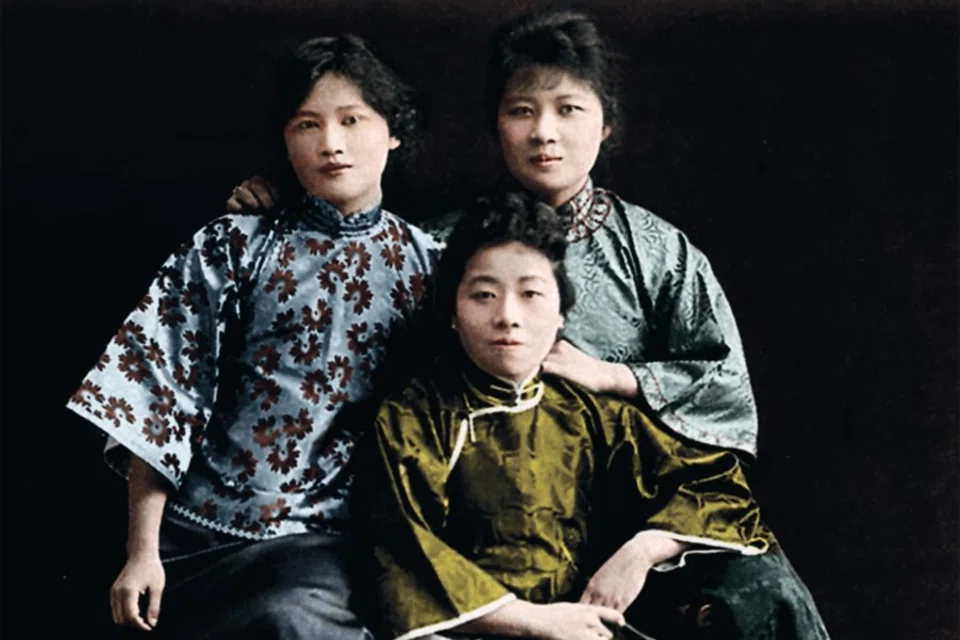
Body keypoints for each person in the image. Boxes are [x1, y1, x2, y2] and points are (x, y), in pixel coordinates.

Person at [229, 9, 831, 637]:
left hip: (647, 509)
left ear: (606, 122)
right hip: (489, 517)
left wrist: (613, 379)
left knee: (764, 593)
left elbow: (724, 389)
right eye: (522, 110)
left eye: (568, 109)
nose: (545, 133)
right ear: (496, 123)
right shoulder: (439, 244)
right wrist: (286, 211)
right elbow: (356, 255)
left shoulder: (659, 252)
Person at [67, 34, 436, 638]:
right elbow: (159, 397)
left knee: (293, 620)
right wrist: (142, 551)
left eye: (352, 120)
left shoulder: (435, 269)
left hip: (334, 540)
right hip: (197, 535)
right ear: (286, 142)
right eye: (307, 124)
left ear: (393, 130)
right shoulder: (232, 245)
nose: (332, 144)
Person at [352, 191, 775, 640]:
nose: (508, 316)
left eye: (531, 294)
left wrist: (643, 549)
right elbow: (398, 550)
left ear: (561, 315)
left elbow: (717, 488)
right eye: (483, 295)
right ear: (452, 314)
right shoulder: (416, 416)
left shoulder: (586, 410)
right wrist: (535, 622)